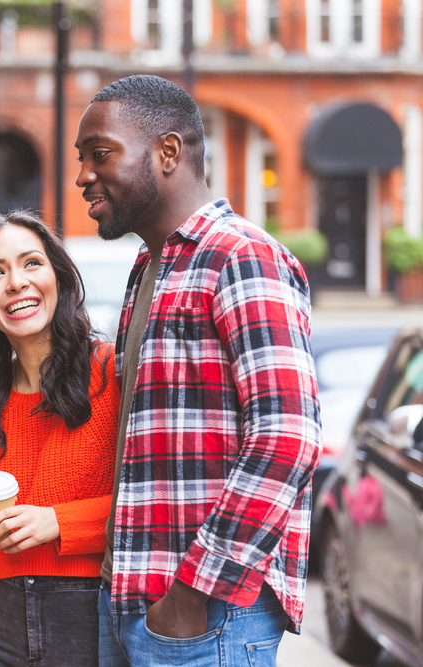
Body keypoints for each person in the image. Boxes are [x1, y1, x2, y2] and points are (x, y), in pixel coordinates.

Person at [74, 74, 321, 666]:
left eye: (100, 154)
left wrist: (192, 593)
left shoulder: (243, 257)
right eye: (82, 159)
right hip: (136, 601)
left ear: (167, 153)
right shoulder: (148, 268)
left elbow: (288, 439)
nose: (83, 175)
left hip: (208, 619)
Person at [0, 210, 120, 667]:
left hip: (89, 609)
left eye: (31, 263)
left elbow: (150, 506)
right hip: (0, 613)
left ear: (58, 278)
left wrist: (57, 522)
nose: (16, 282)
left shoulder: (112, 372)